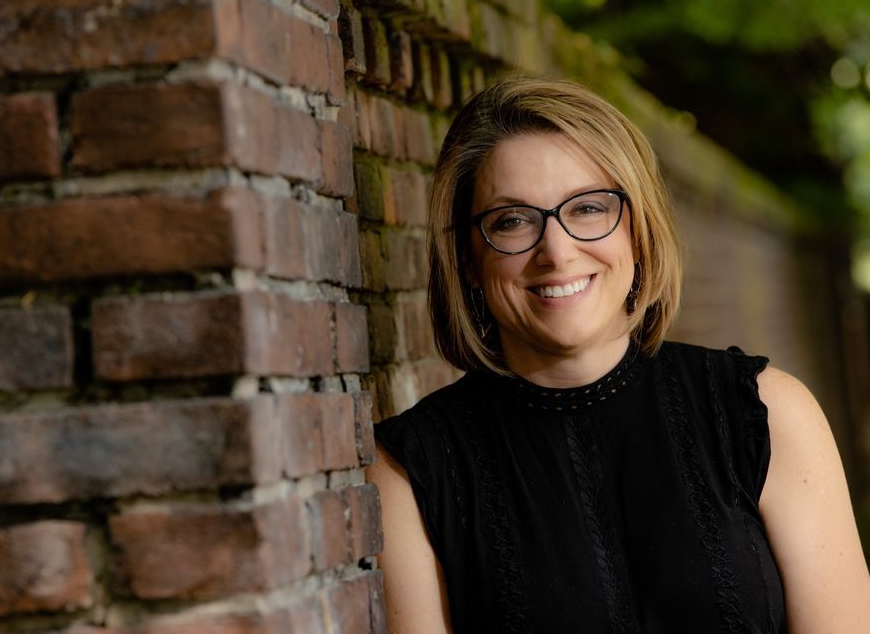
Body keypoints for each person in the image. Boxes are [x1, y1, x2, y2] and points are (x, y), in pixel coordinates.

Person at [366, 77, 870, 633]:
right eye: (512, 221)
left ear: (639, 230)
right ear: (467, 258)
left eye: (587, 208)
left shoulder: (767, 413)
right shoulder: (411, 473)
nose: (555, 252)